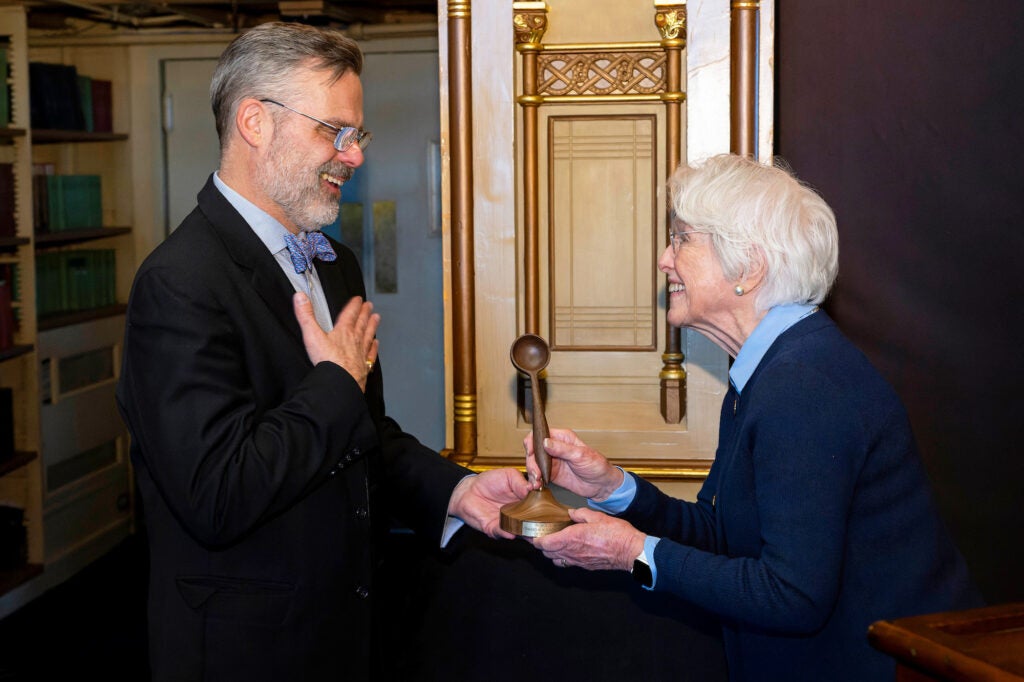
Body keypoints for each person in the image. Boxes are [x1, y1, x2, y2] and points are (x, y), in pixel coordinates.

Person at [115, 22, 530, 682]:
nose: (353, 154)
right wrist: (336, 378)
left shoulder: (333, 265)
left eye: (356, 135)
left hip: (343, 634)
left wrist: (458, 492)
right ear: (255, 122)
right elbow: (218, 495)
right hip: (246, 654)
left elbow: (364, 435)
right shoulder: (180, 283)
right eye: (331, 131)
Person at [526, 154, 981, 681]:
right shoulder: (773, 368)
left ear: (750, 266)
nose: (664, 260)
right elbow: (725, 537)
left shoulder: (805, 387)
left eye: (682, 239)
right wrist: (613, 488)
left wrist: (632, 552)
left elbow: (791, 595)